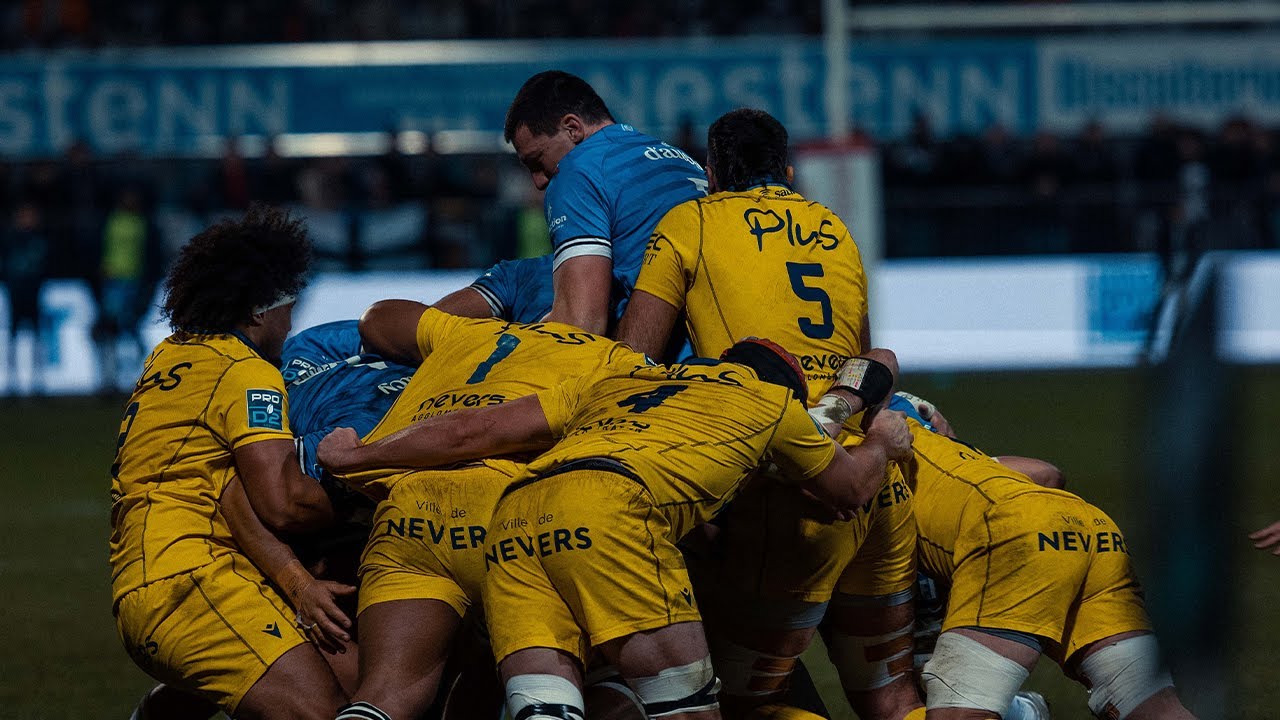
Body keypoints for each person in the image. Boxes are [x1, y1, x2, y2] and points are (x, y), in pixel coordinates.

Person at [319, 338, 913, 720]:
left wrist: (358, 455)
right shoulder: (771, 407)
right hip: (613, 510)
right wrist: (883, 443)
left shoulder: (616, 384)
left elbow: (470, 432)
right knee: (686, 709)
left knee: (544, 713)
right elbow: (850, 489)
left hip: (516, 516)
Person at [616, 108, 914, 719]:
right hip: (870, 480)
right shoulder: (834, 226)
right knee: (887, 696)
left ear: (710, 171)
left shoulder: (691, 219)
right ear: (788, 170)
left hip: (781, 483)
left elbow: (632, 360)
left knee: (750, 701)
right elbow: (864, 358)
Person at [322, 301, 647, 720]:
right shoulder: (617, 361)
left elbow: (378, 319)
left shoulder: (470, 334)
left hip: (410, 510)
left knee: (384, 697)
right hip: (510, 518)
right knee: (581, 686)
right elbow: (472, 431)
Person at [109, 207, 352, 720]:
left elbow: (219, 487)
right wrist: (365, 496)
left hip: (146, 580)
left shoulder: (169, 356)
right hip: (191, 580)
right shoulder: (245, 374)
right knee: (319, 710)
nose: (293, 321)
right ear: (260, 310)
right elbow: (282, 504)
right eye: (290, 305)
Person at [897, 395, 1199, 720]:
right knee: (1154, 708)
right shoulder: (961, 462)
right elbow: (1046, 474)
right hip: (1092, 530)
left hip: (1014, 534)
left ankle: (1023, 715)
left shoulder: (876, 453)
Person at [504, 70, 707, 335]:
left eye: (537, 161)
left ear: (573, 128)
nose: (539, 181)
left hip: (674, 366)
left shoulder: (578, 170)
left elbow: (581, 324)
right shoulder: (681, 159)